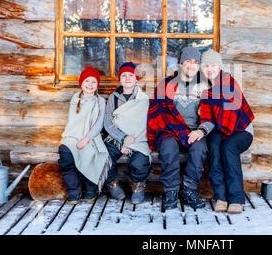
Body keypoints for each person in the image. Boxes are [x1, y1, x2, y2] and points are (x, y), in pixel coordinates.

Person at [147, 47, 214, 210]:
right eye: (188, 61)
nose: (192, 66)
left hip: (194, 130)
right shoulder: (167, 84)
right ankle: (171, 191)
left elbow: (212, 116)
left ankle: (189, 190)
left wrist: (201, 131)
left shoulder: (205, 86)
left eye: (196, 62)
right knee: (168, 147)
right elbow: (160, 112)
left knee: (199, 148)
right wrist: (179, 131)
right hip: (170, 128)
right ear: (180, 64)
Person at [199, 49, 254, 214]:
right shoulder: (206, 89)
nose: (210, 69)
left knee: (227, 147)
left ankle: (236, 198)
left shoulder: (229, 82)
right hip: (219, 129)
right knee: (214, 148)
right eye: (206, 66)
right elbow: (208, 118)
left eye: (213, 65)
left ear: (219, 66)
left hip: (241, 131)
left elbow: (231, 110)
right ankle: (221, 197)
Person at [58, 66, 111, 205]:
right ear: (81, 83)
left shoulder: (100, 101)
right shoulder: (76, 98)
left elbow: (99, 123)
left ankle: (90, 189)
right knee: (65, 154)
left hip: (92, 137)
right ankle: (74, 191)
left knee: (91, 155)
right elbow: (73, 122)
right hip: (73, 135)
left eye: (94, 82)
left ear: (97, 84)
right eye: (87, 81)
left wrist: (87, 139)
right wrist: (75, 139)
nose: (90, 85)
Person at [103, 62, 151, 204]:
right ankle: (112, 183)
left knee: (140, 161)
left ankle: (138, 185)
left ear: (136, 79)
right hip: (117, 137)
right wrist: (123, 139)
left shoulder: (143, 99)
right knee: (103, 155)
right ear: (120, 79)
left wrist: (132, 143)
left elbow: (144, 125)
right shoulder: (114, 98)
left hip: (138, 138)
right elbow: (108, 122)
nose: (128, 78)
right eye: (124, 75)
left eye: (131, 75)